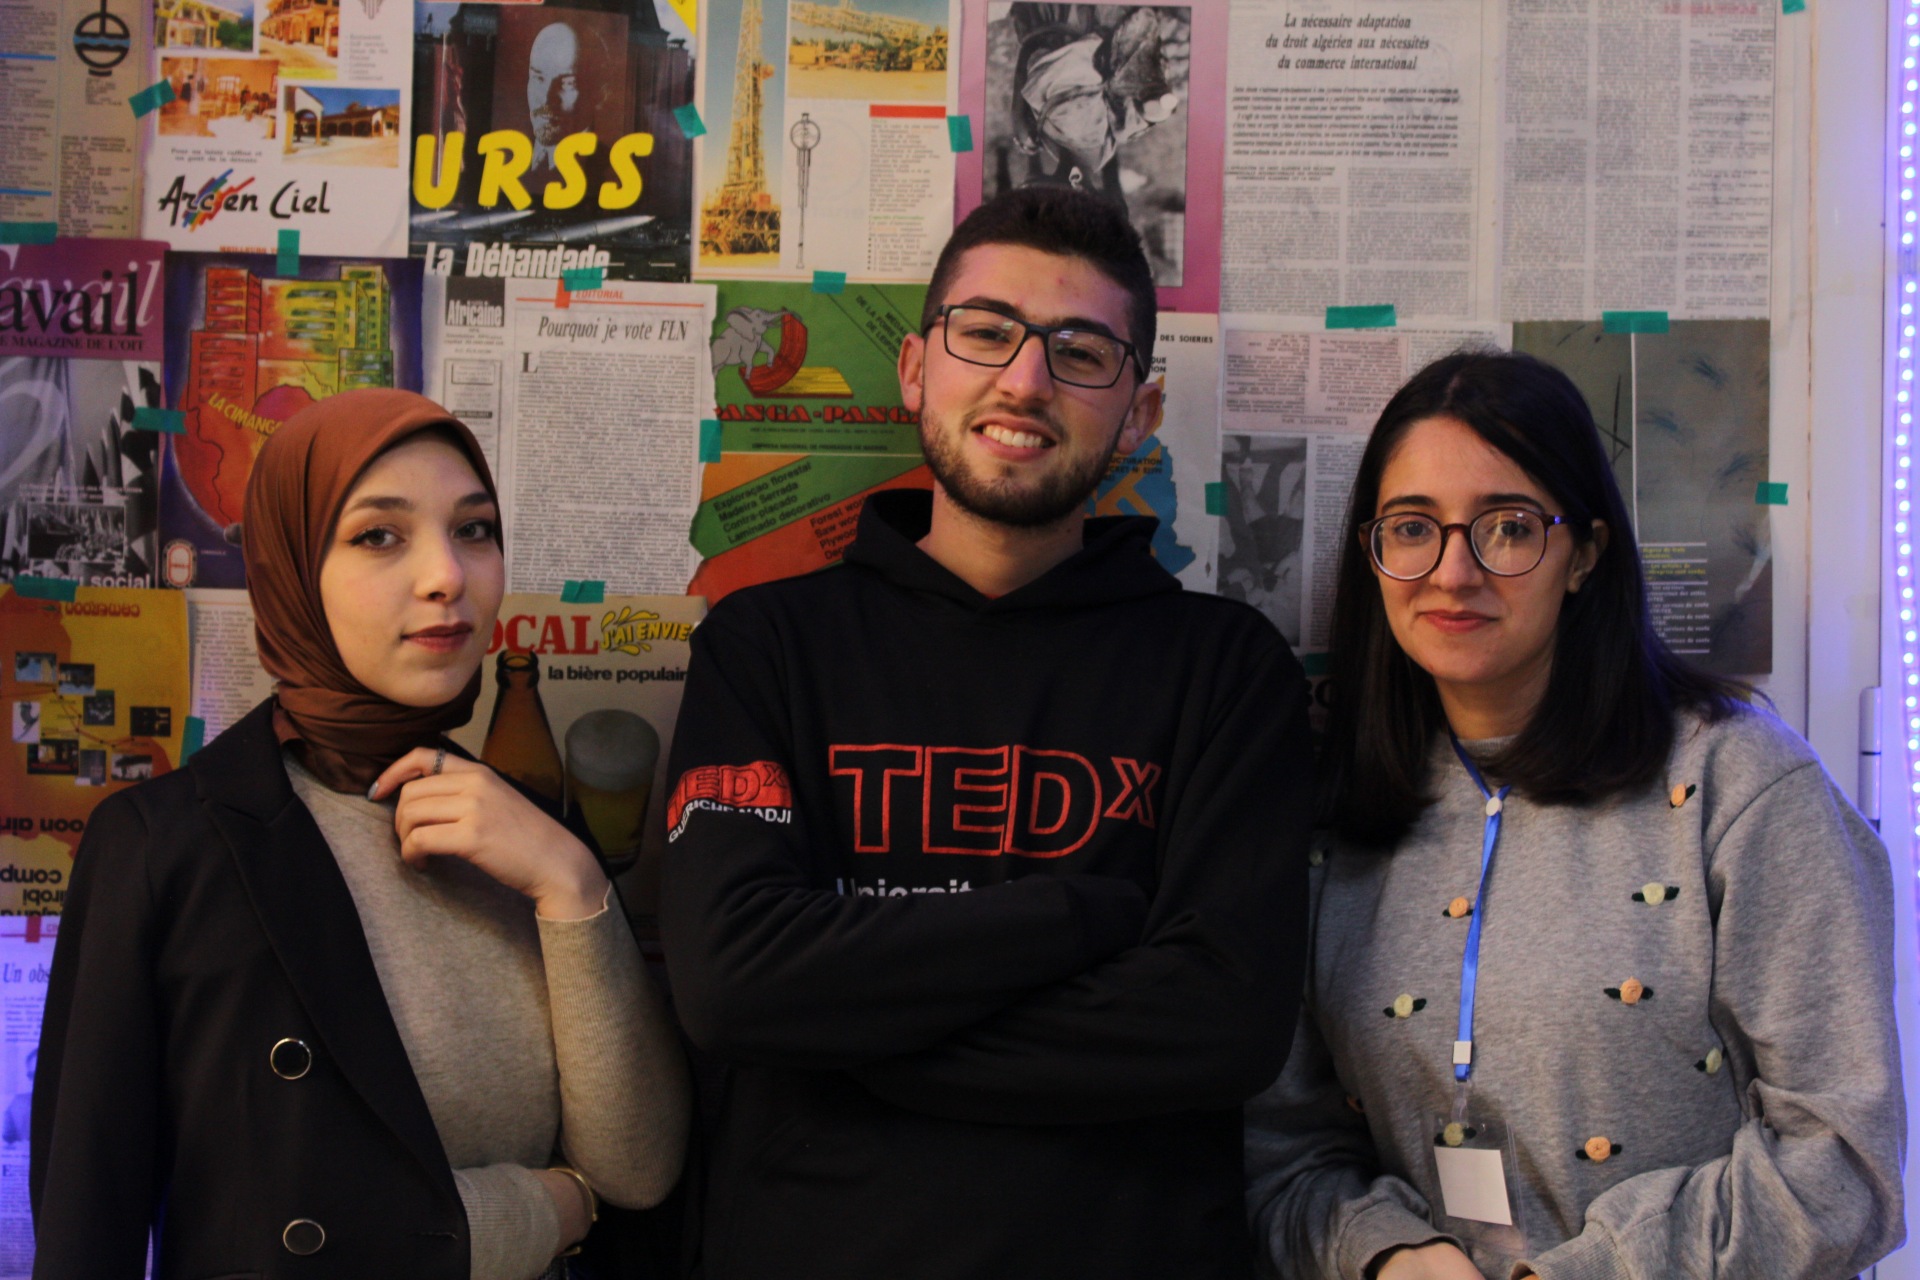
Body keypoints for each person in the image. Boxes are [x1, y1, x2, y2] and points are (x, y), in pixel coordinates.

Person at [660, 185, 1313, 1280]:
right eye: (986, 332)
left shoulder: (1226, 671)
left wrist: (850, 1033)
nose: (1025, 380)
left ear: (1139, 412)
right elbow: (732, 983)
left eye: (1081, 352)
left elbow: (1222, 1022)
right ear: (917, 368)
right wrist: (1085, 912)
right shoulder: (765, 645)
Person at [1244, 350, 1905, 1280]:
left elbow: (1842, 1167)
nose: (1453, 572)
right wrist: (1386, 1254)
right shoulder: (1336, 819)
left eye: (1509, 528)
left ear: (1586, 554)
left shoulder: (1739, 785)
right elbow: (1286, 1154)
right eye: (1412, 528)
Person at [31, 389, 690, 1280]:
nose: (447, 576)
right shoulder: (166, 847)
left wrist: (572, 882)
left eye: (475, 530)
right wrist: (539, 1210)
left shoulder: (535, 831)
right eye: (380, 536)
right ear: (293, 568)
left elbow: (639, 1173)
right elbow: (91, 1228)